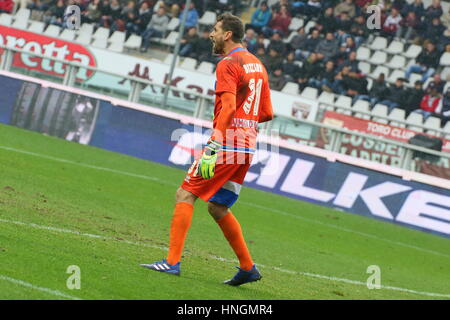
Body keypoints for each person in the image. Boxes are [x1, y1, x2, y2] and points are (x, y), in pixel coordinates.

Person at [141, 13, 273, 286]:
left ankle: (171, 263)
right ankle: (248, 268)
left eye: (214, 30)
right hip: (248, 143)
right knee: (217, 207)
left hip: (227, 141)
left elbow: (228, 107)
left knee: (185, 193)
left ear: (227, 35)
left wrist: (214, 142)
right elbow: (267, 112)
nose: (210, 34)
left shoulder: (228, 63)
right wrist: (244, 128)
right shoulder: (257, 65)